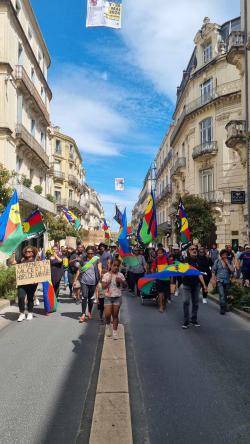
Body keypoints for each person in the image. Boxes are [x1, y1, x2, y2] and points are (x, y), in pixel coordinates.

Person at [182, 245, 208, 329]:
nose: (194, 250)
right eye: (192, 249)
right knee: (186, 302)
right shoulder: (186, 260)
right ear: (189, 251)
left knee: (195, 303)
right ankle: (186, 322)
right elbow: (183, 271)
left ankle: (193, 320)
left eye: (195, 249)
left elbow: (199, 274)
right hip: (186, 284)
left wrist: (204, 286)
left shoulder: (199, 261)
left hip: (196, 285)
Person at [74, 246, 102, 323]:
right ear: (86, 253)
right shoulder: (83, 260)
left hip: (93, 282)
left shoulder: (96, 259)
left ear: (93, 253)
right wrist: (75, 280)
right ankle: (83, 314)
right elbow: (79, 270)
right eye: (89, 253)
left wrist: (100, 279)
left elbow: (100, 269)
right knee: (84, 296)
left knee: (90, 298)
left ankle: (89, 311)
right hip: (84, 281)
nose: (90, 255)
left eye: (92, 253)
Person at [12, 246, 40, 322]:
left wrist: (37, 280)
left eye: (30, 251)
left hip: (32, 283)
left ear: (33, 252)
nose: (28, 253)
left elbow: (40, 271)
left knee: (30, 298)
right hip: (22, 283)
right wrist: (13, 255)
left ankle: (30, 312)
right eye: (26, 251)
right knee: (21, 297)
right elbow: (13, 263)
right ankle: (22, 313)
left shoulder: (36, 259)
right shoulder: (22, 259)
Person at [102, 259, 127, 339]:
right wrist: (108, 282)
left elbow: (126, 286)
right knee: (107, 315)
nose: (116, 267)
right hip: (108, 297)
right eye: (114, 265)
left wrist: (122, 281)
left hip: (117, 297)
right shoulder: (106, 275)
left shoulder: (121, 275)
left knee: (115, 315)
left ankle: (115, 332)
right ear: (111, 266)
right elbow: (103, 287)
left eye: (117, 266)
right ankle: (108, 325)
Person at [212, 249, 235, 314]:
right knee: (221, 294)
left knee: (225, 295)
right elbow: (213, 271)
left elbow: (232, 270)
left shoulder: (229, 262)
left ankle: (224, 306)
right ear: (221, 255)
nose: (225, 256)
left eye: (226, 254)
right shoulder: (217, 261)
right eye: (223, 254)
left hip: (227, 281)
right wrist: (213, 280)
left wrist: (227, 263)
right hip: (219, 280)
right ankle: (222, 308)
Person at [152, 248, 172, 312]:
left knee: (166, 294)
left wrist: (172, 278)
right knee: (160, 293)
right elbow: (153, 268)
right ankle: (161, 306)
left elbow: (171, 268)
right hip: (159, 279)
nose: (159, 254)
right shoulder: (156, 260)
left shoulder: (167, 259)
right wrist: (154, 274)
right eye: (158, 253)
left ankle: (164, 303)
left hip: (167, 279)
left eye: (161, 253)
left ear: (163, 253)